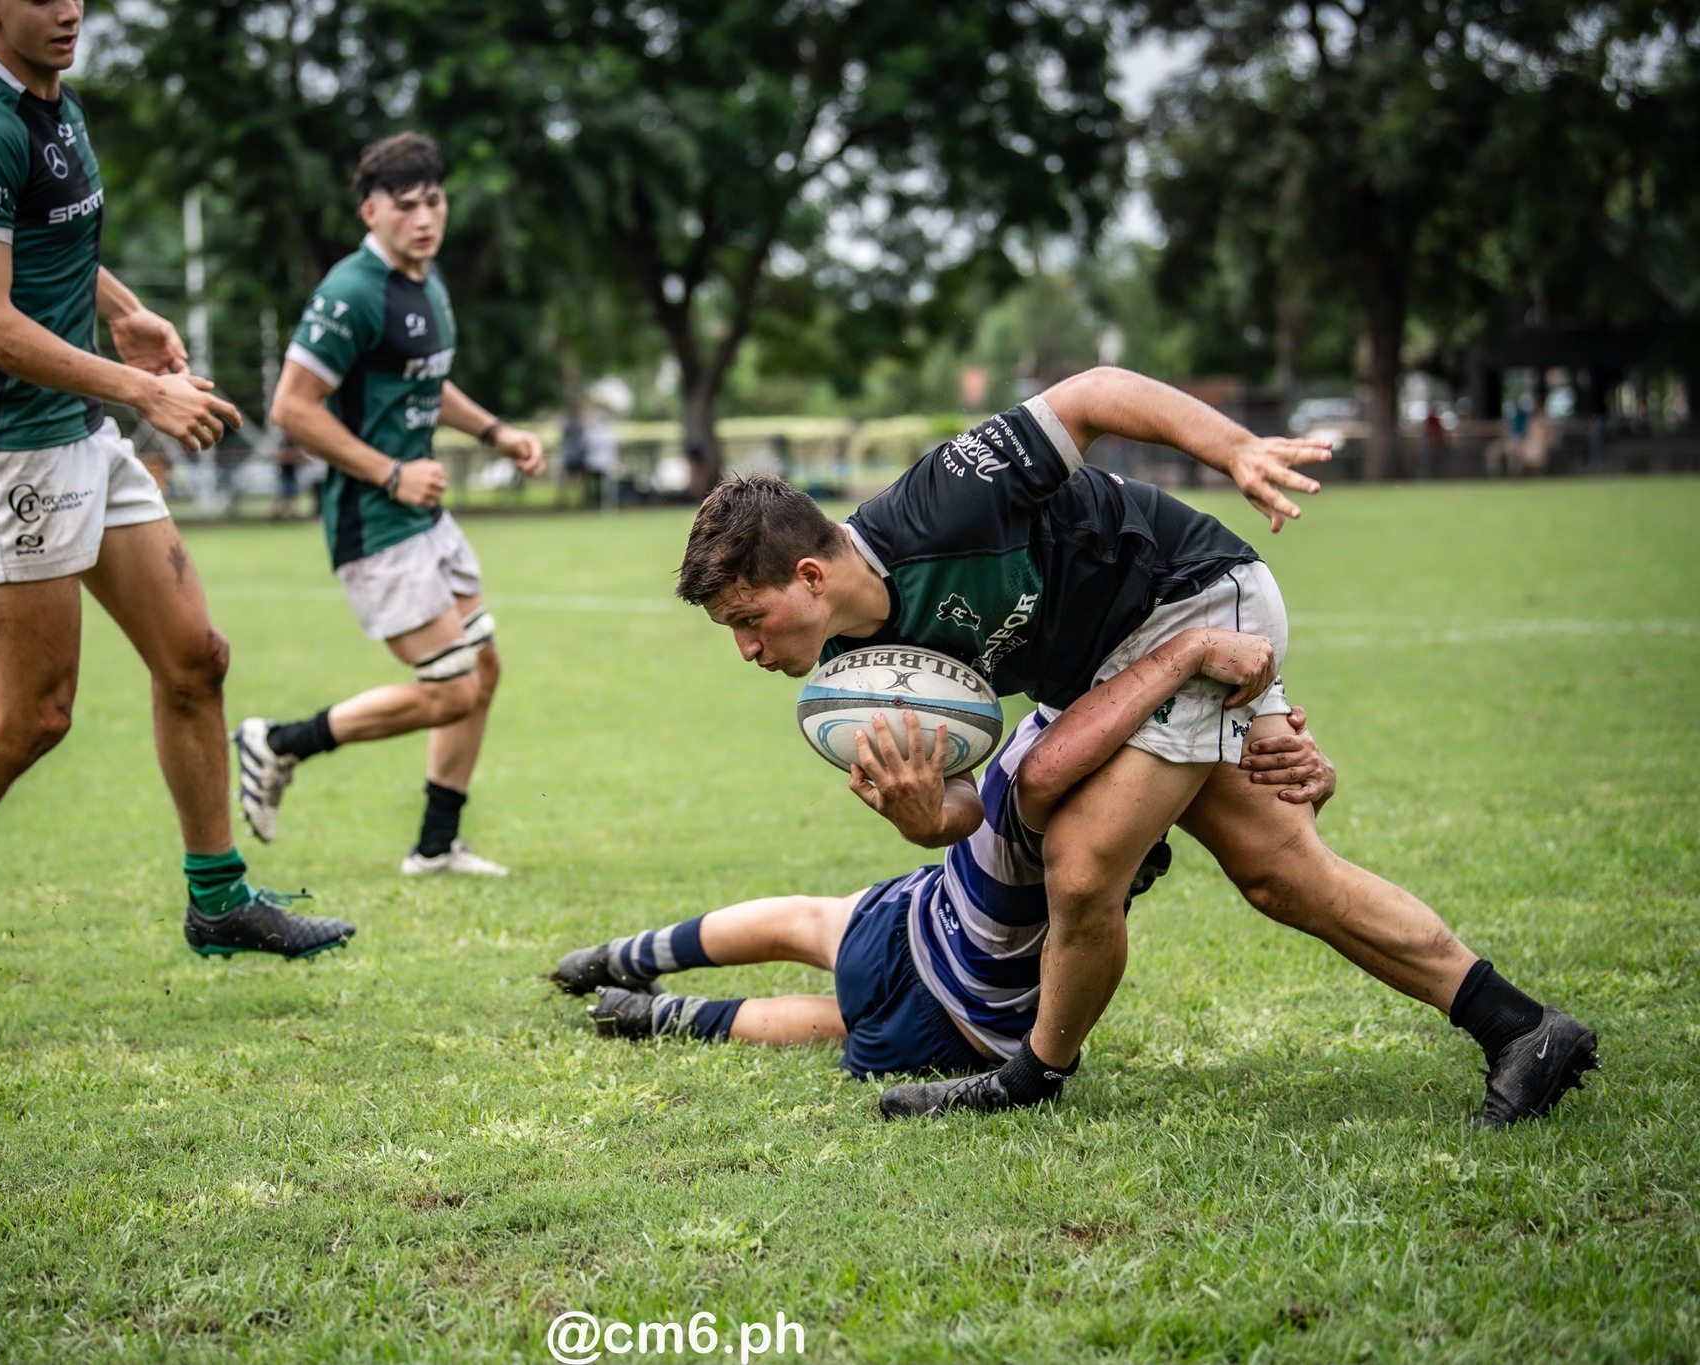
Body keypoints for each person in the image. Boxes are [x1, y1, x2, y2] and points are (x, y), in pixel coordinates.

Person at [676, 368, 1597, 1128]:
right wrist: (923, 818)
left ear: (810, 575)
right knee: (1281, 871)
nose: (747, 650)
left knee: (1081, 866)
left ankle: (1032, 1077)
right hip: (1109, 671)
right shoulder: (857, 671)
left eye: (749, 620)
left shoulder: (943, 502)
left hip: (1187, 597)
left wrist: (1233, 447)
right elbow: (966, 810)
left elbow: (1092, 393)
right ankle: (1523, 1028)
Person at [0, 0, 354, 1022]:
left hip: (79, 428)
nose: (69, 8)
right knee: (35, 714)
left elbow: (53, 238)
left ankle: (218, 899)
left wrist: (125, 311)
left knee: (194, 658)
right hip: (10, 449)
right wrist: (142, 389)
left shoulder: (54, 106)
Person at [552, 630, 1335, 1078]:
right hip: (969, 1012)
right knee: (837, 1021)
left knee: (806, 920)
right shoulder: (1138, 776)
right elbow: (1267, 819)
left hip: (920, 915)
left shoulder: (1055, 722)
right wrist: (1274, 741)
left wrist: (1291, 754)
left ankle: (624, 958)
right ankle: (659, 1012)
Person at [240, 133, 545, 875]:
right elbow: (292, 407)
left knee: (482, 670)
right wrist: (391, 473)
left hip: (422, 517)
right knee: (453, 689)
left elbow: (425, 382)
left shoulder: (427, 282)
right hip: (375, 523)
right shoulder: (352, 291)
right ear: (370, 211)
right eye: (405, 206)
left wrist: (495, 432)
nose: (424, 218)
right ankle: (279, 742)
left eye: (434, 202)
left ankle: (436, 847)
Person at [270, 439, 308, 519]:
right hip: (285, 476)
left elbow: (302, 458)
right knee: (284, 495)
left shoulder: (291, 450)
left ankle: (288, 513)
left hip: (291, 475)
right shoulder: (284, 450)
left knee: (289, 495)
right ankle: (279, 513)